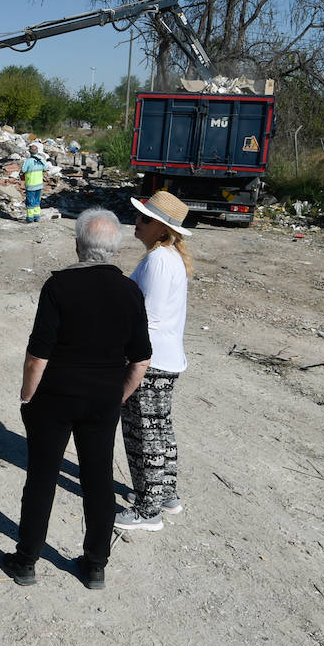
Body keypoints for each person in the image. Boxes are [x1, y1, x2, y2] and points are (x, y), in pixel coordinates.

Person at [3, 208, 152, 590]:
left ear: (78, 246)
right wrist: (120, 394)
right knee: (98, 479)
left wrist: (26, 394)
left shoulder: (58, 287)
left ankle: (26, 561)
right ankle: (96, 564)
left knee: (42, 478)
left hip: (54, 398)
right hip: (102, 400)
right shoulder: (131, 291)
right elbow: (141, 357)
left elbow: (38, 354)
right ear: (115, 248)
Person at [117, 190, 193, 532]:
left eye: (145, 219)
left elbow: (143, 316)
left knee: (143, 435)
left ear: (161, 228)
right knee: (160, 429)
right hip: (165, 360)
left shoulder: (158, 261)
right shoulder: (169, 256)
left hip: (149, 362)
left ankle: (148, 510)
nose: (137, 222)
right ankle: (165, 494)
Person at [21, 142, 47, 222]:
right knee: (37, 201)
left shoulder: (28, 161)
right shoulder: (42, 160)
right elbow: (45, 168)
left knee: (30, 202)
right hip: (39, 185)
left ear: (30, 152)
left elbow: (23, 170)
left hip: (31, 184)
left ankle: (30, 218)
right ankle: (37, 217)